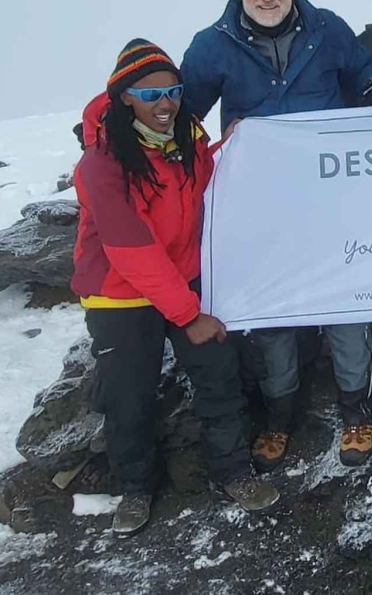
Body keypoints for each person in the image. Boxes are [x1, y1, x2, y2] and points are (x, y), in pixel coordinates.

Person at [181, 0, 372, 472]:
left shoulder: (326, 29)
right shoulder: (213, 45)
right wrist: (214, 143)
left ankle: (356, 411)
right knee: (274, 310)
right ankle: (279, 416)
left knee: (342, 301)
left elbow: (363, 69)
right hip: (262, 204)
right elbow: (181, 111)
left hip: (329, 197)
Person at [71, 39, 280, 534]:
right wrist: (189, 315)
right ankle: (136, 488)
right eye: (150, 95)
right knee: (128, 396)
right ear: (124, 98)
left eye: (173, 91)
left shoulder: (185, 138)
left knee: (219, 376)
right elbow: (131, 250)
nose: (164, 103)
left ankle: (233, 472)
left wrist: (229, 145)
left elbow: (205, 178)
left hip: (184, 278)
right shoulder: (101, 164)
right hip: (119, 295)